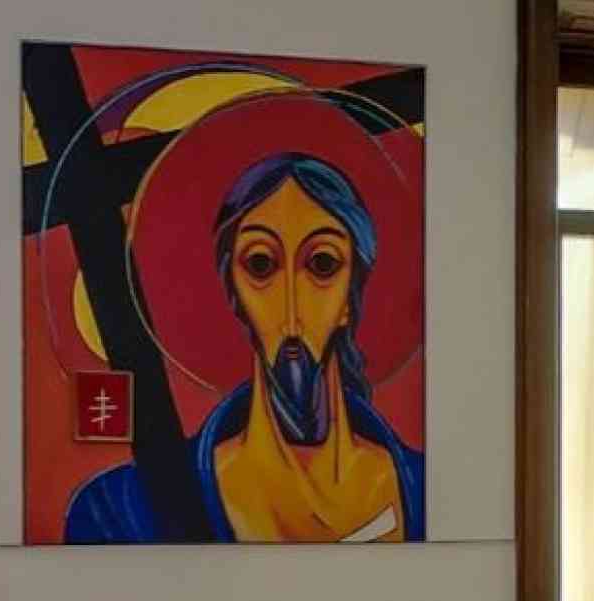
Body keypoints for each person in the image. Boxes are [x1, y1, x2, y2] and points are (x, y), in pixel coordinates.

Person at [64, 152, 424, 542]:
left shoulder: (427, 491)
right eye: (260, 265)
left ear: (349, 300)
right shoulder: (122, 510)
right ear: (234, 293)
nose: (291, 314)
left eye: (322, 264)